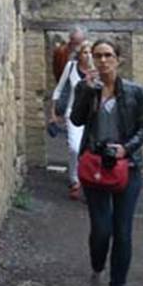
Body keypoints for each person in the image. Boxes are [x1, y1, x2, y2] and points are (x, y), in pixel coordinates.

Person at [71, 39, 143, 286]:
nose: (102, 61)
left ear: (118, 59)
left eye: (108, 55)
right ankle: (97, 271)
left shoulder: (136, 93)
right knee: (101, 229)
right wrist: (86, 93)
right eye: (98, 55)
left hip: (129, 169)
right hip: (96, 167)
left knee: (123, 232)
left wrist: (127, 148)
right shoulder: (87, 88)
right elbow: (77, 121)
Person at [51, 40, 94, 199]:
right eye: (85, 52)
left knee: (90, 150)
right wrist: (53, 113)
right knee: (75, 148)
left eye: (90, 52)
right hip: (73, 113)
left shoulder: (97, 70)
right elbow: (59, 89)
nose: (88, 55)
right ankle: (75, 179)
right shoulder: (71, 67)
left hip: (93, 115)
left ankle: (90, 181)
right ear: (79, 54)